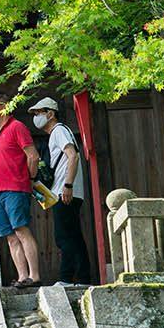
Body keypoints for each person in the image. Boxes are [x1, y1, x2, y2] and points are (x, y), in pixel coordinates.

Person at [29, 97, 92, 285]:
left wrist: (68, 185)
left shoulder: (59, 131)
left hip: (65, 192)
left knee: (64, 236)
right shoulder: (57, 133)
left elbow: (73, 156)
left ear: (50, 113)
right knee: (73, 236)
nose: (36, 117)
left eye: (39, 113)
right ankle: (82, 278)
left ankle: (66, 278)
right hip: (67, 191)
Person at [0, 93, 41, 288]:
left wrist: (31, 179)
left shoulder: (17, 127)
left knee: (21, 230)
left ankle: (34, 276)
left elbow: (33, 157)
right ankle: (22, 276)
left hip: (16, 188)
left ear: (4, 106)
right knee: (10, 236)